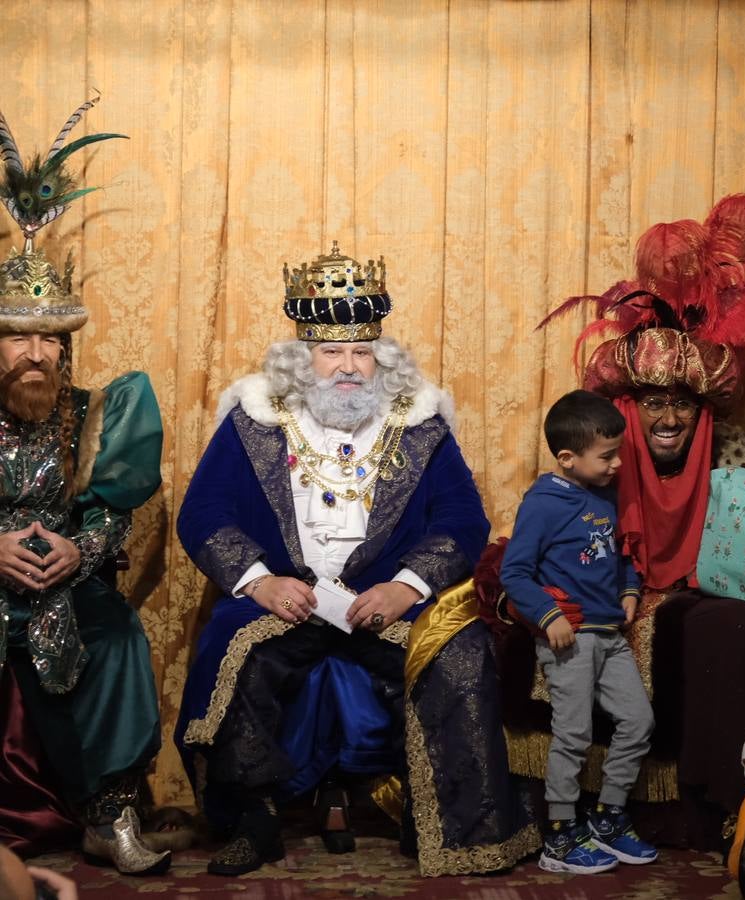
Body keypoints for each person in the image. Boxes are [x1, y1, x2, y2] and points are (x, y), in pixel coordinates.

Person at [507, 194, 745, 849]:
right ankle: (576, 817)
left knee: (732, 622)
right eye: (654, 404)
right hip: (614, 600)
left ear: (704, 411)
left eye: (682, 406)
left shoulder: (730, 461)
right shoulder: (600, 465)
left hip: (697, 587)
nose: (668, 420)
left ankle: (729, 798)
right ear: (630, 408)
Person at [175, 243, 537, 876]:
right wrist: (259, 583)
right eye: (331, 351)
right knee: (237, 657)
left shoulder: (419, 422)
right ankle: (251, 822)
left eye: (361, 352)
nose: (347, 366)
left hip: (382, 599)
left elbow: (462, 520)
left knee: (457, 653)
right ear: (302, 357)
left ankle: (448, 826)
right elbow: (203, 515)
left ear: (381, 359)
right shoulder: (255, 419)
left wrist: (406, 585)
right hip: (288, 597)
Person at [0, 98, 169, 874]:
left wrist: (79, 548)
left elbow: (112, 507)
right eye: (15, 338)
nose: (33, 354)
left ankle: (109, 816)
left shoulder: (105, 409)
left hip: (68, 579)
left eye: (48, 338)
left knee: (115, 633)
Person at [499, 389, 658, 874]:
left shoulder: (606, 497)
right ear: (567, 459)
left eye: (618, 455)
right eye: (606, 457)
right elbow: (515, 573)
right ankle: (561, 833)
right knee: (574, 734)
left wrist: (630, 589)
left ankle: (608, 816)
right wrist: (550, 617)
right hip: (570, 639)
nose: (615, 465)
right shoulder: (543, 504)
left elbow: (620, 556)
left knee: (638, 722)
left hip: (609, 634)